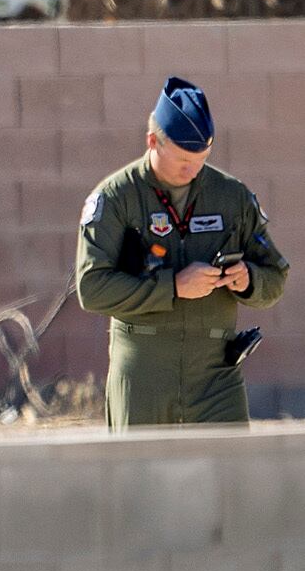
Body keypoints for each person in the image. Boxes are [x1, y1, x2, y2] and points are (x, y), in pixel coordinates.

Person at [76, 76, 287, 429]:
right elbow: (92, 288)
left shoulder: (231, 196)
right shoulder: (116, 197)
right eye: (182, 159)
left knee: (228, 478)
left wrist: (249, 280)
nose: (192, 170)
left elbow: (276, 276)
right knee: (141, 478)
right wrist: (172, 287)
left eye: (201, 158)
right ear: (152, 142)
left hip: (216, 374)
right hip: (144, 370)